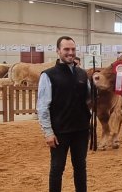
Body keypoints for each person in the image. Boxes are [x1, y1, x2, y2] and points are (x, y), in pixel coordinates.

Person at [37, 36, 91, 192]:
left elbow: (88, 99)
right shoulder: (48, 75)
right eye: (66, 49)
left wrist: (96, 90)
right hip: (60, 131)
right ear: (58, 51)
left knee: (80, 167)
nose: (70, 52)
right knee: (57, 169)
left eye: (73, 49)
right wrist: (48, 132)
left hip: (81, 129)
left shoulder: (82, 74)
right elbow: (42, 106)